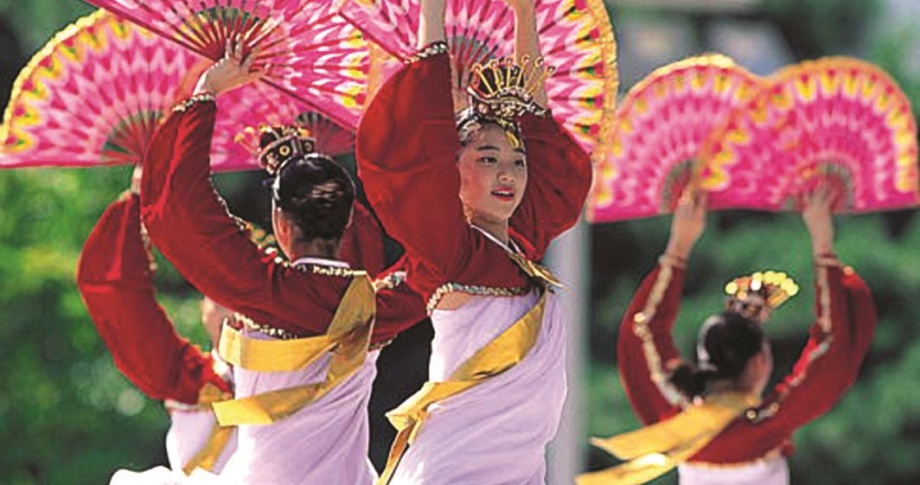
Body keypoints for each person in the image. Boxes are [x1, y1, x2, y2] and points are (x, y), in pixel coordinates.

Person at [139, 44, 426, 484]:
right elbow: (440, 254)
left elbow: (180, 208)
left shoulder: (262, 290)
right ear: (350, 217)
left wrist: (206, 92)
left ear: (279, 221)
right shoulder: (375, 305)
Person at [354, 0, 593, 482]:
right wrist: (433, 16)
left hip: (521, 470)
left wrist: (525, 18)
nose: (508, 174)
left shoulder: (519, 249)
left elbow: (542, 136)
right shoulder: (453, 254)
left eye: (516, 161)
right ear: (451, 170)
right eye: (487, 159)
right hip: (457, 469)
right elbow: (417, 149)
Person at [579, 189, 877, 485]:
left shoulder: (676, 424)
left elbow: (642, 331)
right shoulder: (764, 427)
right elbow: (832, 351)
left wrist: (679, 244)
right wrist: (822, 244)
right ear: (760, 362)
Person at [75, 179, 237, 481]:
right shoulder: (191, 378)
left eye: (246, 290)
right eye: (221, 289)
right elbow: (115, 292)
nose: (237, 306)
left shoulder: (316, 369)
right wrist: (139, 197)